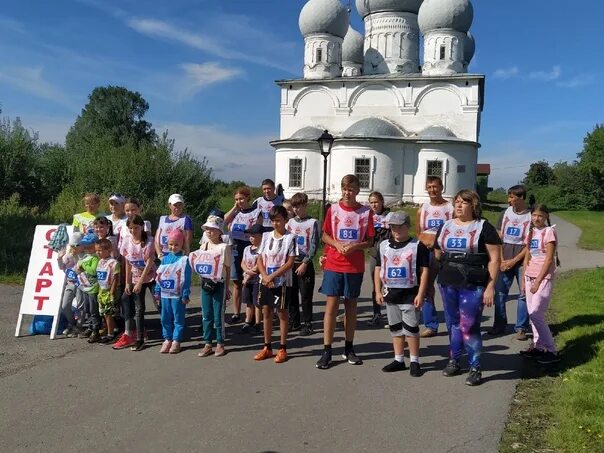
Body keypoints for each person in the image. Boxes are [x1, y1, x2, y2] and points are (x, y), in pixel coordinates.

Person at [432, 189, 501, 386]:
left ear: (474, 205)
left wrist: (490, 287)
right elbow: (437, 252)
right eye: (457, 202)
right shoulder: (445, 226)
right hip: (448, 282)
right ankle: (454, 360)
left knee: (469, 325)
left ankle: (475, 366)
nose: (459, 206)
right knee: (453, 323)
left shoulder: (484, 227)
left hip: (473, 284)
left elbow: (495, 260)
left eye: (464, 202)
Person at [316, 174, 375, 370]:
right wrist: (337, 244)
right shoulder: (333, 209)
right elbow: (324, 235)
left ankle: (349, 347)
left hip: (354, 265)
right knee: (331, 307)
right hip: (334, 263)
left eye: (351, 189)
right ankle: (327, 350)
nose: (347, 193)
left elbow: (370, 241)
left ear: (357, 191)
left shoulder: (366, 212)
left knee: (351, 308)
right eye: (344, 189)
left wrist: (355, 246)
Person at [374, 211, 430, 377]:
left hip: (410, 294)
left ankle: (414, 360)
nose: (396, 230)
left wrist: (421, 293)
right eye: (393, 227)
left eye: (400, 226)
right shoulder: (383, 245)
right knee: (396, 329)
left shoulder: (417, 245)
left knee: (411, 329)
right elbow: (378, 268)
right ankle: (399, 359)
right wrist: (377, 290)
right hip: (391, 294)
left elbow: (424, 270)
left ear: (407, 226)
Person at [254, 205, 297, 363]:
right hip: (265, 280)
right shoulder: (265, 237)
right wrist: (265, 276)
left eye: (278, 220)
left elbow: (290, 262)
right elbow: (259, 258)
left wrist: (272, 276)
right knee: (266, 311)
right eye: (272, 221)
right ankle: (267, 346)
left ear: (285, 220)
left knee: (282, 313)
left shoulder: (290, 238)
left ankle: (283, 347)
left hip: (282, 281)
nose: (275, 224)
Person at [489, 185, 531, 340]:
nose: (509, 200)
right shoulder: (504, 213)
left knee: (523, 294)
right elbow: (498, 237)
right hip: (504, 259)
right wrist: (500, 259)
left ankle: (521, 328)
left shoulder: (531, 216)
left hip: (521, 261)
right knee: (500, 293)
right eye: (509, 196)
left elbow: (530, 243)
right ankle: (499, 325)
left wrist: (514, 261)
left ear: (521, 198)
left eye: (512, 197)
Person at [520, 204, 560, 364]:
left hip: (542, 278)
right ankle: (538, 346)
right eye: (534, 215)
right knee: (532, 314)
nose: (537, 218)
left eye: (540, 216)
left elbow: (549, 259)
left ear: (546, 217)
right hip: (530, 276)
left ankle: (551, 351)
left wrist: (537, 281)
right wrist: (524, 277)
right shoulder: (531, 232)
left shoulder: (549, 232)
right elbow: (527, 256)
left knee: (536, 313)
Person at [416, 176, 454, 338]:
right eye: (429, 187)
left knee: (447, 289)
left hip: (444, 253)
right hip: (426, 251)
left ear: (441, 187)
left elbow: (454, 229)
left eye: (435, 187)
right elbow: (418, 232)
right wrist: (426, 243)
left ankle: (453, 325)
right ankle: (431, 325)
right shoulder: (423, 208)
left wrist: (437, 244)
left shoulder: (450, 208)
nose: (432, 190)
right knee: (426, 288)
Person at [191, 215, 231, 357]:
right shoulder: (203, 246)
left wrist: (227, 288)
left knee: (218, 314)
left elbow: (227, 268)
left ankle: (220, 342)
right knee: (206, 314)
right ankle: (208, 342)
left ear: (220, 231)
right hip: (205, 284)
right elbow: (199, 263)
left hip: (219, 284)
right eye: (208, 229)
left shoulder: (224, 248)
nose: (210, 232)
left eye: (213, 229)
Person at [116, 215, 156, 351]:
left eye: (136, 228)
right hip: (135, 276)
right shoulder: (127, 241)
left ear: (142, 227)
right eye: (131, 228)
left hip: (150, 276)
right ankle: (139, 338)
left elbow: (150, 262)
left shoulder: (149, 241)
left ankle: (171, 333)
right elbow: (127, 262)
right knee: (139, 308)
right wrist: (128, 282)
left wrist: (140, 282)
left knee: (159, 303)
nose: (133, 231)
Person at [224, 186, 262, 324]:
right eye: (236, 199)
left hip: (250, 247)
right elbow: (223, 221)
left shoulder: (257, 212)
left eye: (241, 198)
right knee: (236, 281)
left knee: (251, 279)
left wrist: (245, 230)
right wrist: (235, 208)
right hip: (236, 247)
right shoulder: (236, 212)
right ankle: (236, 313)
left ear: (247, 198)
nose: (239, 201)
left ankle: (252, 314)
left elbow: (257, 229)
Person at [286, 192, 320, 335]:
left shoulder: (313, 223)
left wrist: (305, 263)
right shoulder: (290, 223)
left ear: (305, 205)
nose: (296, 210)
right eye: (294, 207)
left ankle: (308, 323)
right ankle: (294, 321)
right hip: (291, 263)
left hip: (304, 263)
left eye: (299, 207)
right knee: (291, 294)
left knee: (305, 295)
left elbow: (314, 245)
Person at [154, 229, 192, 354]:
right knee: (165, 317)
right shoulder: (164, 259)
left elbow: (186, 279)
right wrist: (157, 291)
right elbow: (159, 276)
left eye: (176, 244)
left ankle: (176, 340)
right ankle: (167, 338)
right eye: (171, 244)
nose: (173, 247)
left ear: (181, 244)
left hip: (177, 295)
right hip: (165, 294)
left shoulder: (184, 260)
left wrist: (185, 294)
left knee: (177, 318)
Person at [367, 191, 391, 327]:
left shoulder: (389, 216)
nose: (374, 205)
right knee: (376, 285)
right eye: (371, 202)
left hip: (389, 255)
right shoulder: (369, 216)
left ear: (382, 202)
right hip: (374, 254)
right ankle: (376, 313)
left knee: (389, 284)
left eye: (376, 201)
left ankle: (392, 314)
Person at [57, 232, 84, 337]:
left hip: (81, 284)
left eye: (77, 245)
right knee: (65, 305)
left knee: (81, 306)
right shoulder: (69, 255)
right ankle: (71, 323)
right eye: (72, 245)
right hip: (70, 283)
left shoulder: (84, 255)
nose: (74, 247)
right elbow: (61, 267)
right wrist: (59, 259)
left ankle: (79, 326)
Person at [76, 233, 101, 343]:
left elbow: (93, 270)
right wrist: (79, 267)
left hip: (93, 288)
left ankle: (96, 330)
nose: (86, 248)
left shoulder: (95, 257)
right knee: (87, 308)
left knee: (93, 309)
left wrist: (83, 266)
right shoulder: (86, 256)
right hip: (85, 286)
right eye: (85, 246)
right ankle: (90, 327)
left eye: (89, 245)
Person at [95, 238, 121, 344]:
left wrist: (112, 292)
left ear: (108, 250)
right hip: (102, 290)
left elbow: (115, 278)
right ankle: (115, 329)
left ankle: (110, 334)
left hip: (110, 290)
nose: (98, 253)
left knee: (108, 313)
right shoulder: (100, 261)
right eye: (97, 250)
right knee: (104, 313)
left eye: (100, 250)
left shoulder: (113, 263)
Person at [240, 224, 265, 334]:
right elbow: (243, 263)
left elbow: (258, 266)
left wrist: (249, 274)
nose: (251, 238)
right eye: (250, 235)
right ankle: (247, 322)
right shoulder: (246, 249)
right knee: (248, 302)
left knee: (257, 303)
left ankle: (258, 324)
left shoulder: (262, 250)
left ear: (261, 236)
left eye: (254, 236)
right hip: (247, 278)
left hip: (257, 280)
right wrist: (246, 272)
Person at [155, 193, 193, 258]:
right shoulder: (162, 219)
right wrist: (160, 255)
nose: (178, 207)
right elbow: (157, 239)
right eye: (175, 205)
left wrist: (184, 256)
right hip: (164, 255)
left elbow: (188, 240)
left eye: (180, 204)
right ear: (170, 205)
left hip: (178, 256)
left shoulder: (186, 219)